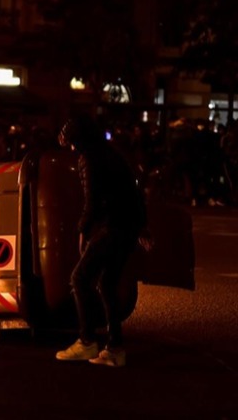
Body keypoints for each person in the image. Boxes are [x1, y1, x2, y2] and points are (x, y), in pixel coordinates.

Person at [55, 116, 153, 368]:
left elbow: (92, 201)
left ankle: (87, 341)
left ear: (79, 141)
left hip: (113, 227)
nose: (72, 149)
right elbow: (134, 191)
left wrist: (82, 231)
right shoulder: (112, 154)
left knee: (79, 278)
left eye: (72, 144)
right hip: (127, 228)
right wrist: (141, 227)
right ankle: (114, 348)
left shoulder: (89, 159)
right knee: (107, 284)